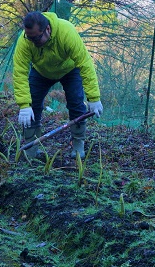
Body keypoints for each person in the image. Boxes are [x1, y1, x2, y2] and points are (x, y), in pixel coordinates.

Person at [12, 11, 103, 160]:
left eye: (36, 38)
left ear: (47, 29)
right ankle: (31, 147)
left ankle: (78, 144)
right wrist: (24, 105)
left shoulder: (66, 32)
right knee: (32, 105)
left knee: (76, 103)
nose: (33, 42)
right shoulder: (25, 41)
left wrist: (94, 98)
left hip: (69, 69)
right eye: (30, 38)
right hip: (41, 71)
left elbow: (85, 64)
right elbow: (20, 72)